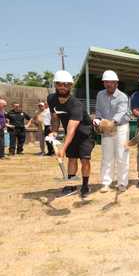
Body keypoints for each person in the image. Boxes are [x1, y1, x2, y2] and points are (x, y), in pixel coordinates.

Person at [47, 70, 95, 198]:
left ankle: (85, 185)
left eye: (66, 84)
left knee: (85, 159)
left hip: (85, 134)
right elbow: (55, 116)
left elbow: (71, 128)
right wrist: (54, 131)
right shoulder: (51, 99)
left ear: (70, 86)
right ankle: (71, 184)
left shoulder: (76, 104)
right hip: (71, 134)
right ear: (55, 85)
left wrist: (63, 147)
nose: (62, 87)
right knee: (72, 158)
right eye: (59, 84)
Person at [94, 70, 130, 193]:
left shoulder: (122, 97)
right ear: (103, 83)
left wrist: (111, 123)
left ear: (116, 83)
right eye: (106, 82)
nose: (108, 84)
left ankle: (122, 183)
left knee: (122, 155)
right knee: (107, 156)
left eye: (111, 82)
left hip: (120, 128)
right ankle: (105, 183)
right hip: (106, 127)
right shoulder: (100, 95)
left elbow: (121, 113)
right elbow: (98, 110)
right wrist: (97, 120)